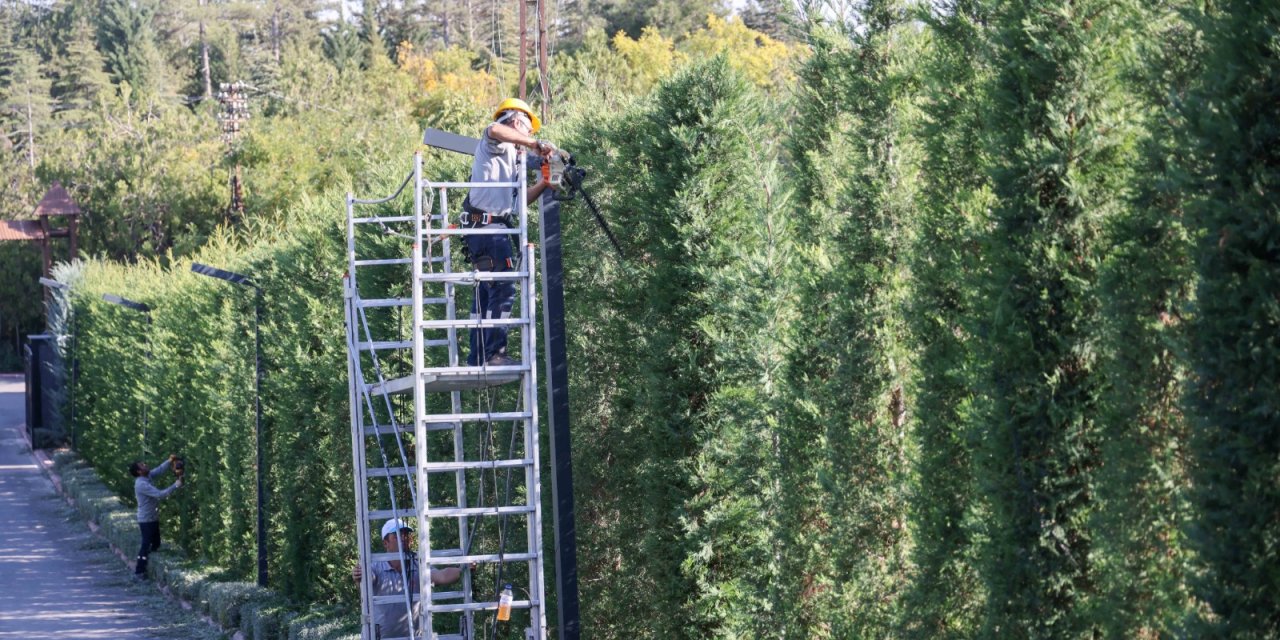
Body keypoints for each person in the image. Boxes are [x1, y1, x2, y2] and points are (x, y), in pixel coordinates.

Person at [462, 97, 557, 367]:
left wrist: (545, 184)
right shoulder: (495, 142)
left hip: (489, 226)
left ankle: (478, 357)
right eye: (528, 130)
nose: (529, 136)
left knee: (485, 293)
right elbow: (494, 128)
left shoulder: (511, 159)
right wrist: (533, 145)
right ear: (516, 122)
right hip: (488, 230)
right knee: (503, 289)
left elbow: (515, 204)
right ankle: (494, 355)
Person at [351, 519, 466, 639]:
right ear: (386, 543)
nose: (404, 538)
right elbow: (365, 584)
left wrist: (463, 569)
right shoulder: (375, 567)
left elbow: (442, 575)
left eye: (406, 534)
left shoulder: (417, 565)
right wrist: (359, 577)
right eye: (397, 535)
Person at [130, 454, 183, 579]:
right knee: (146, 544)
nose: (146, 465)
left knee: (156, 544)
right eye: (142, 465)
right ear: (139, 471)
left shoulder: (146, 476)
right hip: (146, 519)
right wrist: (176, 485)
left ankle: (150, 566)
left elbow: (159, 470)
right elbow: (160, 494)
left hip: (152, 517)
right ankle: (139, 571)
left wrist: (169, 461)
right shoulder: (141, 484)